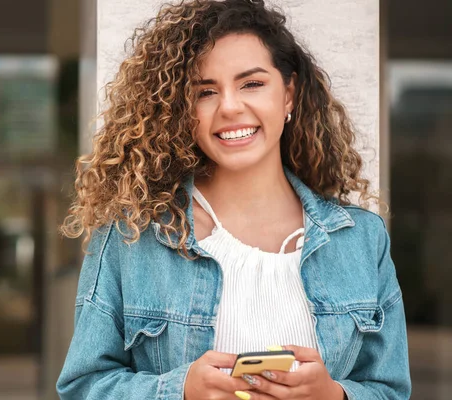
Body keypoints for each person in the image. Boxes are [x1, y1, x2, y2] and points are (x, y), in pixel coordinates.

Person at [56, 0, 411, 399]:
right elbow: (82, 386)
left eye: (252, 84)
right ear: (182, 110)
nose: (229, 106)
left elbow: (390, 388)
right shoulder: (132, 236)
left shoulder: (361, 239)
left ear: (289, 93)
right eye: (205, 92)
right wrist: (179, 391)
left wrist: (334, 395)